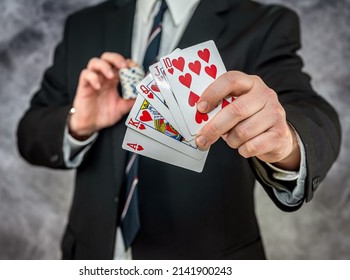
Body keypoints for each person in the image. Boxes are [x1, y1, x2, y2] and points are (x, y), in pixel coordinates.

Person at [17, 0, 341, 259]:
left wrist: (285, 140)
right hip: (91, 257)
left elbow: (312, 114)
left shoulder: (264, 24)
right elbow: (30, 133)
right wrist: (78, 123)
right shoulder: (83, 25)